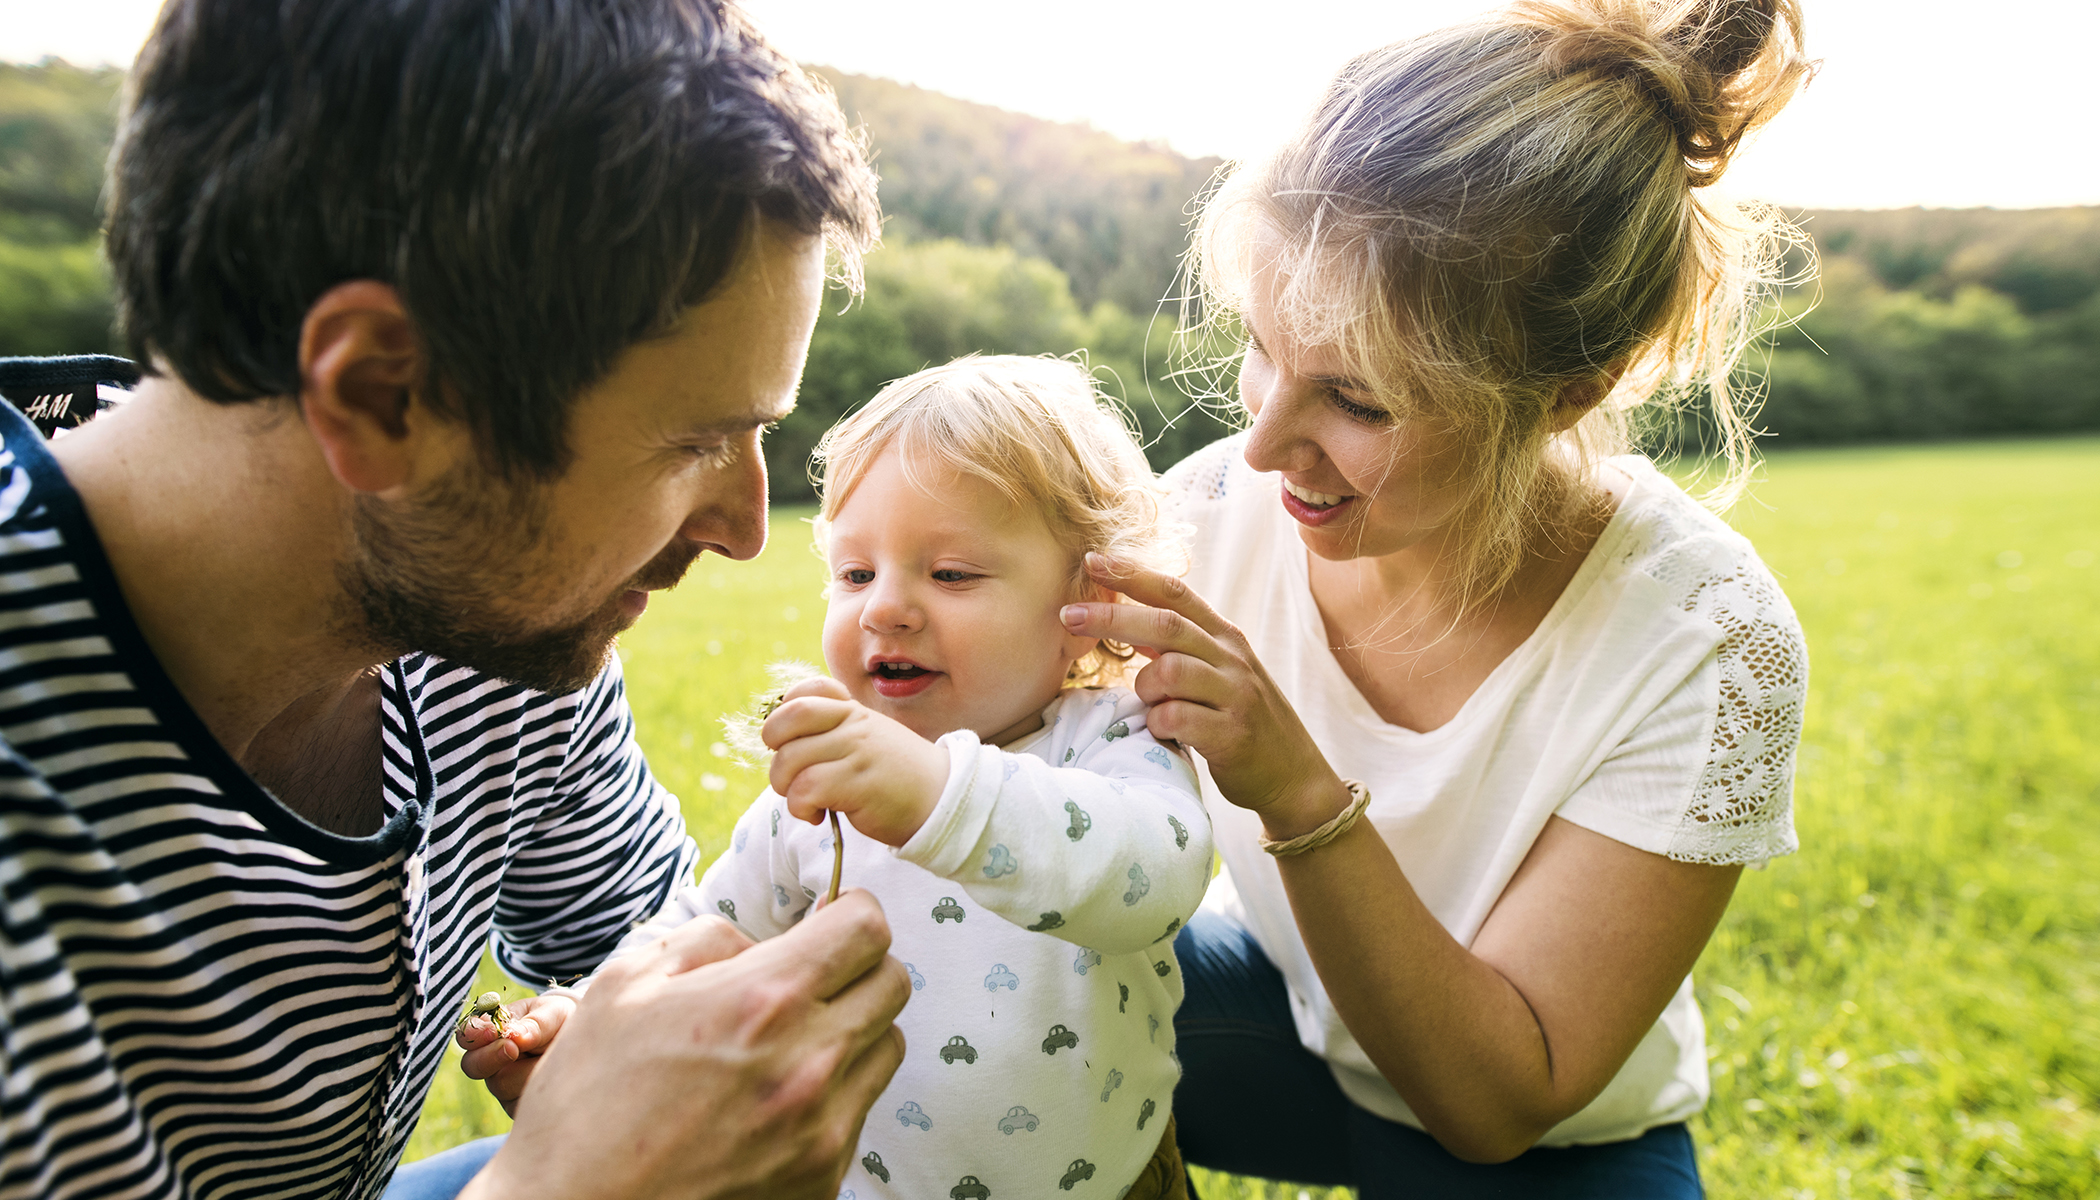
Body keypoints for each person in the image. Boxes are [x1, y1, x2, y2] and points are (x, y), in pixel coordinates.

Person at [0, 1, 913, 1198]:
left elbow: (651, 941)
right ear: (385, 396)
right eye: (696, 442)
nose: (746, 529)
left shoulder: (489, 620)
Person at [1058, 1, 1815, 1195]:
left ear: (1570, 392)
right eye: (1262, 348)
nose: (1261, 448)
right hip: (1280, 1031)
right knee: (986, 971)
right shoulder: (1206, 513)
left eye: (1359, 401)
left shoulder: (1709, 639)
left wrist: (1298, 789)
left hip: (1547, 1138)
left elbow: (1497, 1102)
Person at [471, 356, 1215, 1200]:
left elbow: (1155, 877)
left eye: (951, 573)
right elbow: (706, 932)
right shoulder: (822, 787)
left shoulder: (1107, 744)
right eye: (856, 573)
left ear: (1087, 604)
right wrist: (595, 1028)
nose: (884, 607)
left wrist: (936, 794)